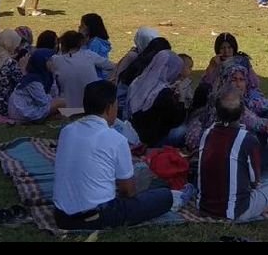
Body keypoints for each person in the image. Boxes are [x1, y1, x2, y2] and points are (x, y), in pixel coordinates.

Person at [52, 80, 177, 230]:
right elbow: (128, 191)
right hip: (96, 217)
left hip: (61, 216)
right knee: (164, 195)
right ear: (109, 107)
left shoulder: (67, 131)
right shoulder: (115, 139)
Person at [197, 85, 268, 221]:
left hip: (204, 207)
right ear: (242, 111)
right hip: (237, 211)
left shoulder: (207, 133)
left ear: (217, 110)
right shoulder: (247, 139)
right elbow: (254, 181)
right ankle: (261, 207)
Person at [128, 49, 188, 147]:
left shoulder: (139, 81)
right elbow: (176, 120)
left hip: (133, 128)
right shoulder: (163, 93)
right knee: (182, 130)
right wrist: (181, 98)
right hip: (151, 138)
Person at [7, 48, 66, 123]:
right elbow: (43, 101)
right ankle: (77, 111)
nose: (53, 62)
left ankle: (74, 112)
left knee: (61, 105)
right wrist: (57, 102)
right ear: (42, 62)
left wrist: (53, 76)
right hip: (22, 111)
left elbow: (54, 94)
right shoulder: (33, 81)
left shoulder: (45, 76)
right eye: (50, 60)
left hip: (31, 107)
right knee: (62, 103)